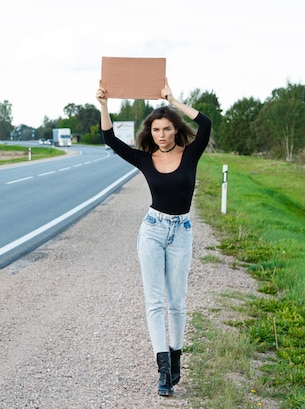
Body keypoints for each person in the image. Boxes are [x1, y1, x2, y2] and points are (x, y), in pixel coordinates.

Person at [96, 79, 211, 397]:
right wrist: (104, 104)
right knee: (154, 302)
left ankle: (176, 360)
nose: (161, 135)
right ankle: (163, 372)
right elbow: (110, 138)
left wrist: (173, 100)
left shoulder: (191, 155)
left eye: (167, 129)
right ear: (151, 133)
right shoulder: (145, 159)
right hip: (152, 230)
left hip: (182, 232)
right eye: (156, 130)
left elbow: (205, 123)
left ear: (175, 130)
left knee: (177, 302)